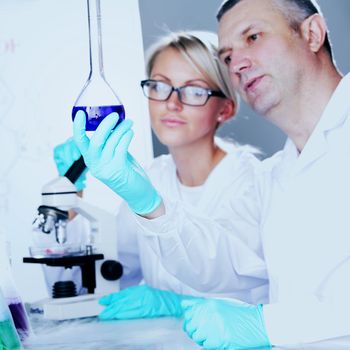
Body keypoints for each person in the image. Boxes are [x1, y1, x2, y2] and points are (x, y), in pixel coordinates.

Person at [54, 31, 269, 318]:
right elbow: (107, 275)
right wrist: (71, 192)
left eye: (194, 90)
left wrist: (175, 305)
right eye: (160, 86)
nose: (171, 103)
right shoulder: (152, 178)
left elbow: (251, 284)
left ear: (225, 109)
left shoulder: (252, 182)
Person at [180, 0, 350, 348]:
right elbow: (225, 265)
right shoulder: (274, 176)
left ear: (312, 34)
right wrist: (146, 203)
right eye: (227, 57)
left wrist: (268, 325)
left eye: (253, 37)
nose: (237, 64)